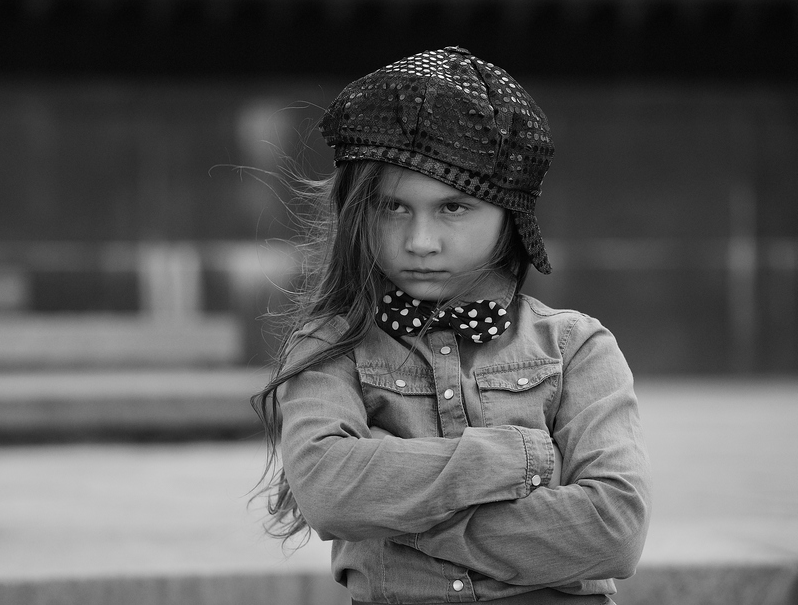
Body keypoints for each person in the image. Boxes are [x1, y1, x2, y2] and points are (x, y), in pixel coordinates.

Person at [251, 46, 652, 604]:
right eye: (393, 208)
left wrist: (394, 502)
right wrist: (522, 459)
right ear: (359, 211)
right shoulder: (328, 349)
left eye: (454, 207)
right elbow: (328, 492)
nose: (420, 241)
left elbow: (615, 530)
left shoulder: (577, 347)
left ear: (509, 215)